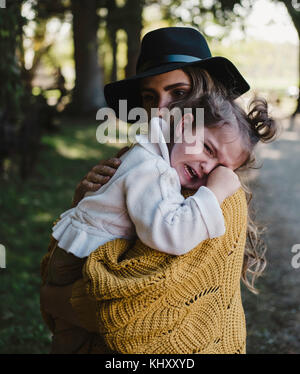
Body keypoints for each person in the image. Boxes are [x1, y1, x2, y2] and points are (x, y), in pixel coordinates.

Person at [40, 27, 274, 354]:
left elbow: (144, 310)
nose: (161, 109)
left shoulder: (213, 192)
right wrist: (87, 202)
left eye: (178, 93)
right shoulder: (143, 161)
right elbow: (75, 252)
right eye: (150, 98)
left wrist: (55, 299)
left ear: (207, 100)